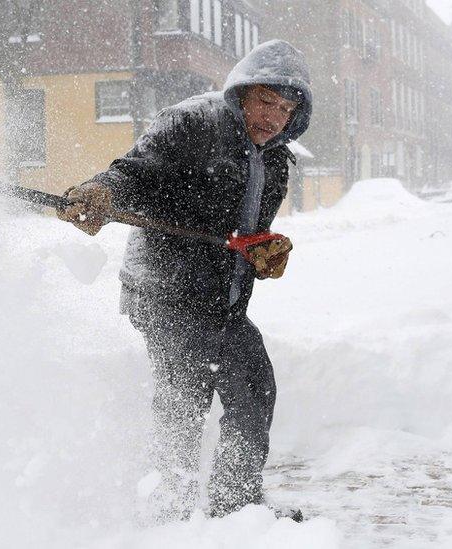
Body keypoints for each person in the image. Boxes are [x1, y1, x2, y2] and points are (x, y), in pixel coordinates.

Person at [58, 40, 312, 523]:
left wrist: (262, 249)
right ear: (241, 93)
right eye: (265, 102)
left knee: (254, 388)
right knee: (184, 399)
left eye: (285, 109)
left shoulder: (276, 157)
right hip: (165, 292)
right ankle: (168, 513)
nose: (274, 118)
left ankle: (235, 508)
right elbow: (134, 173)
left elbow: (243, 230)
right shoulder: (190, 124)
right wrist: (100, 193)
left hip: (223, 300)